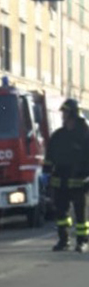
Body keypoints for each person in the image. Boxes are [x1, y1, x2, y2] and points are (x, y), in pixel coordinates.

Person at [43, 98, 89, 253]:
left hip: (79, 181)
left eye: (66, 112)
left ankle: (82, 241)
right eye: (63, 113)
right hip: (60, 181)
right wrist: (46, 172)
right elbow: (50, 156)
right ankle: (64, 240)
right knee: (61, 213)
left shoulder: (84, 134)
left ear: (73, 114)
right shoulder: (58, 135)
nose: (63, 115)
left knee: (81, 215)